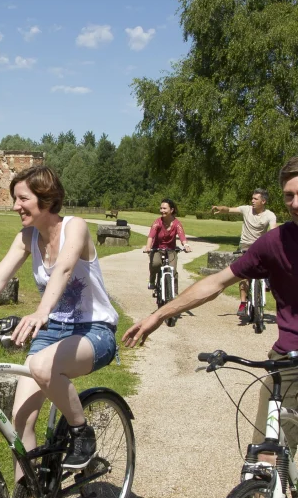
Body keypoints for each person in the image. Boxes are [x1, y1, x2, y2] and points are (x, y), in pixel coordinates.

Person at [0, 165, 118, 473]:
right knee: (20, 422)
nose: (15, 206)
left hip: (94, 330)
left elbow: (65, 270)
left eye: (22, 198)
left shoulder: (76, 227)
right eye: (15, 199)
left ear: (46, 198)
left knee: (41, 366)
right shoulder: (27, 236)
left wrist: (41, 312)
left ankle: (81, 430)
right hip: (52, 330)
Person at [123, 157, 298, 453]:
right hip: (288, 361)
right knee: (264, 457)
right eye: (289, 196)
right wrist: (159, 314)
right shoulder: (274, 243)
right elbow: (216, 283)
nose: (294, 204)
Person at [211, 189, 277, 318]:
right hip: (245, 246)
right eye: (252, 198)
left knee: (272, 264)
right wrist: (220, 208)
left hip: (260, 247)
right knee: (243, 275)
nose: (252, 201)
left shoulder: (270, 215)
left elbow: (272, 230)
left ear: (263, 201)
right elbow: (229, 209)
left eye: (255, 199)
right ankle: (242, 302)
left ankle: (266, 282)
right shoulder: (246, 209)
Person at [144, 199, 191, 291]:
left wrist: (186, 245)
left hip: (171, 250)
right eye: (161, 208)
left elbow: (182, 236)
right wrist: (148, 247)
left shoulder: (177, 224)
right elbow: (151, 236)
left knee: (172, 270)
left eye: (164, 208)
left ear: (171, 210)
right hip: (157, 249)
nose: (162, 211)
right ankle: (152, 280)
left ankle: (174, 293)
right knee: (155, 264)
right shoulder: (157, 222)